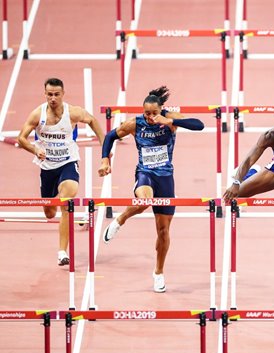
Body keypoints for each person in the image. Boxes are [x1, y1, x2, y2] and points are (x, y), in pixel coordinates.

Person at [98, 86, 205, 293]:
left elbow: (199, 125)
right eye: (147, 113)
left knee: (163, 231)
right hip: (145, 173)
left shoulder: (169, 119)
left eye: (154, 113)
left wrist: (170, 121)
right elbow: (110, 136)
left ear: (161, 109)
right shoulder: (136, 124)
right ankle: (120, 220)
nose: (150, 117)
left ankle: (158, 272)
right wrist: (105, 160)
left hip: (165, 177)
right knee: (144, 200)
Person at [17, 78, 105, 266]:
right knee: (49, 212)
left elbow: (92, 120)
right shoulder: (37, 115)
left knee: (67, 200)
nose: (53, 98)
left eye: (57, 94)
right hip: (47, 167)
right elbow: (21, 138)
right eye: (50, 94)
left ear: (63, 94)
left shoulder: (73, 112)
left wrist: (104, 146)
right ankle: (56, 196)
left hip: (68, 162)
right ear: (45, 94)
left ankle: (62, 252)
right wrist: (35, 149)